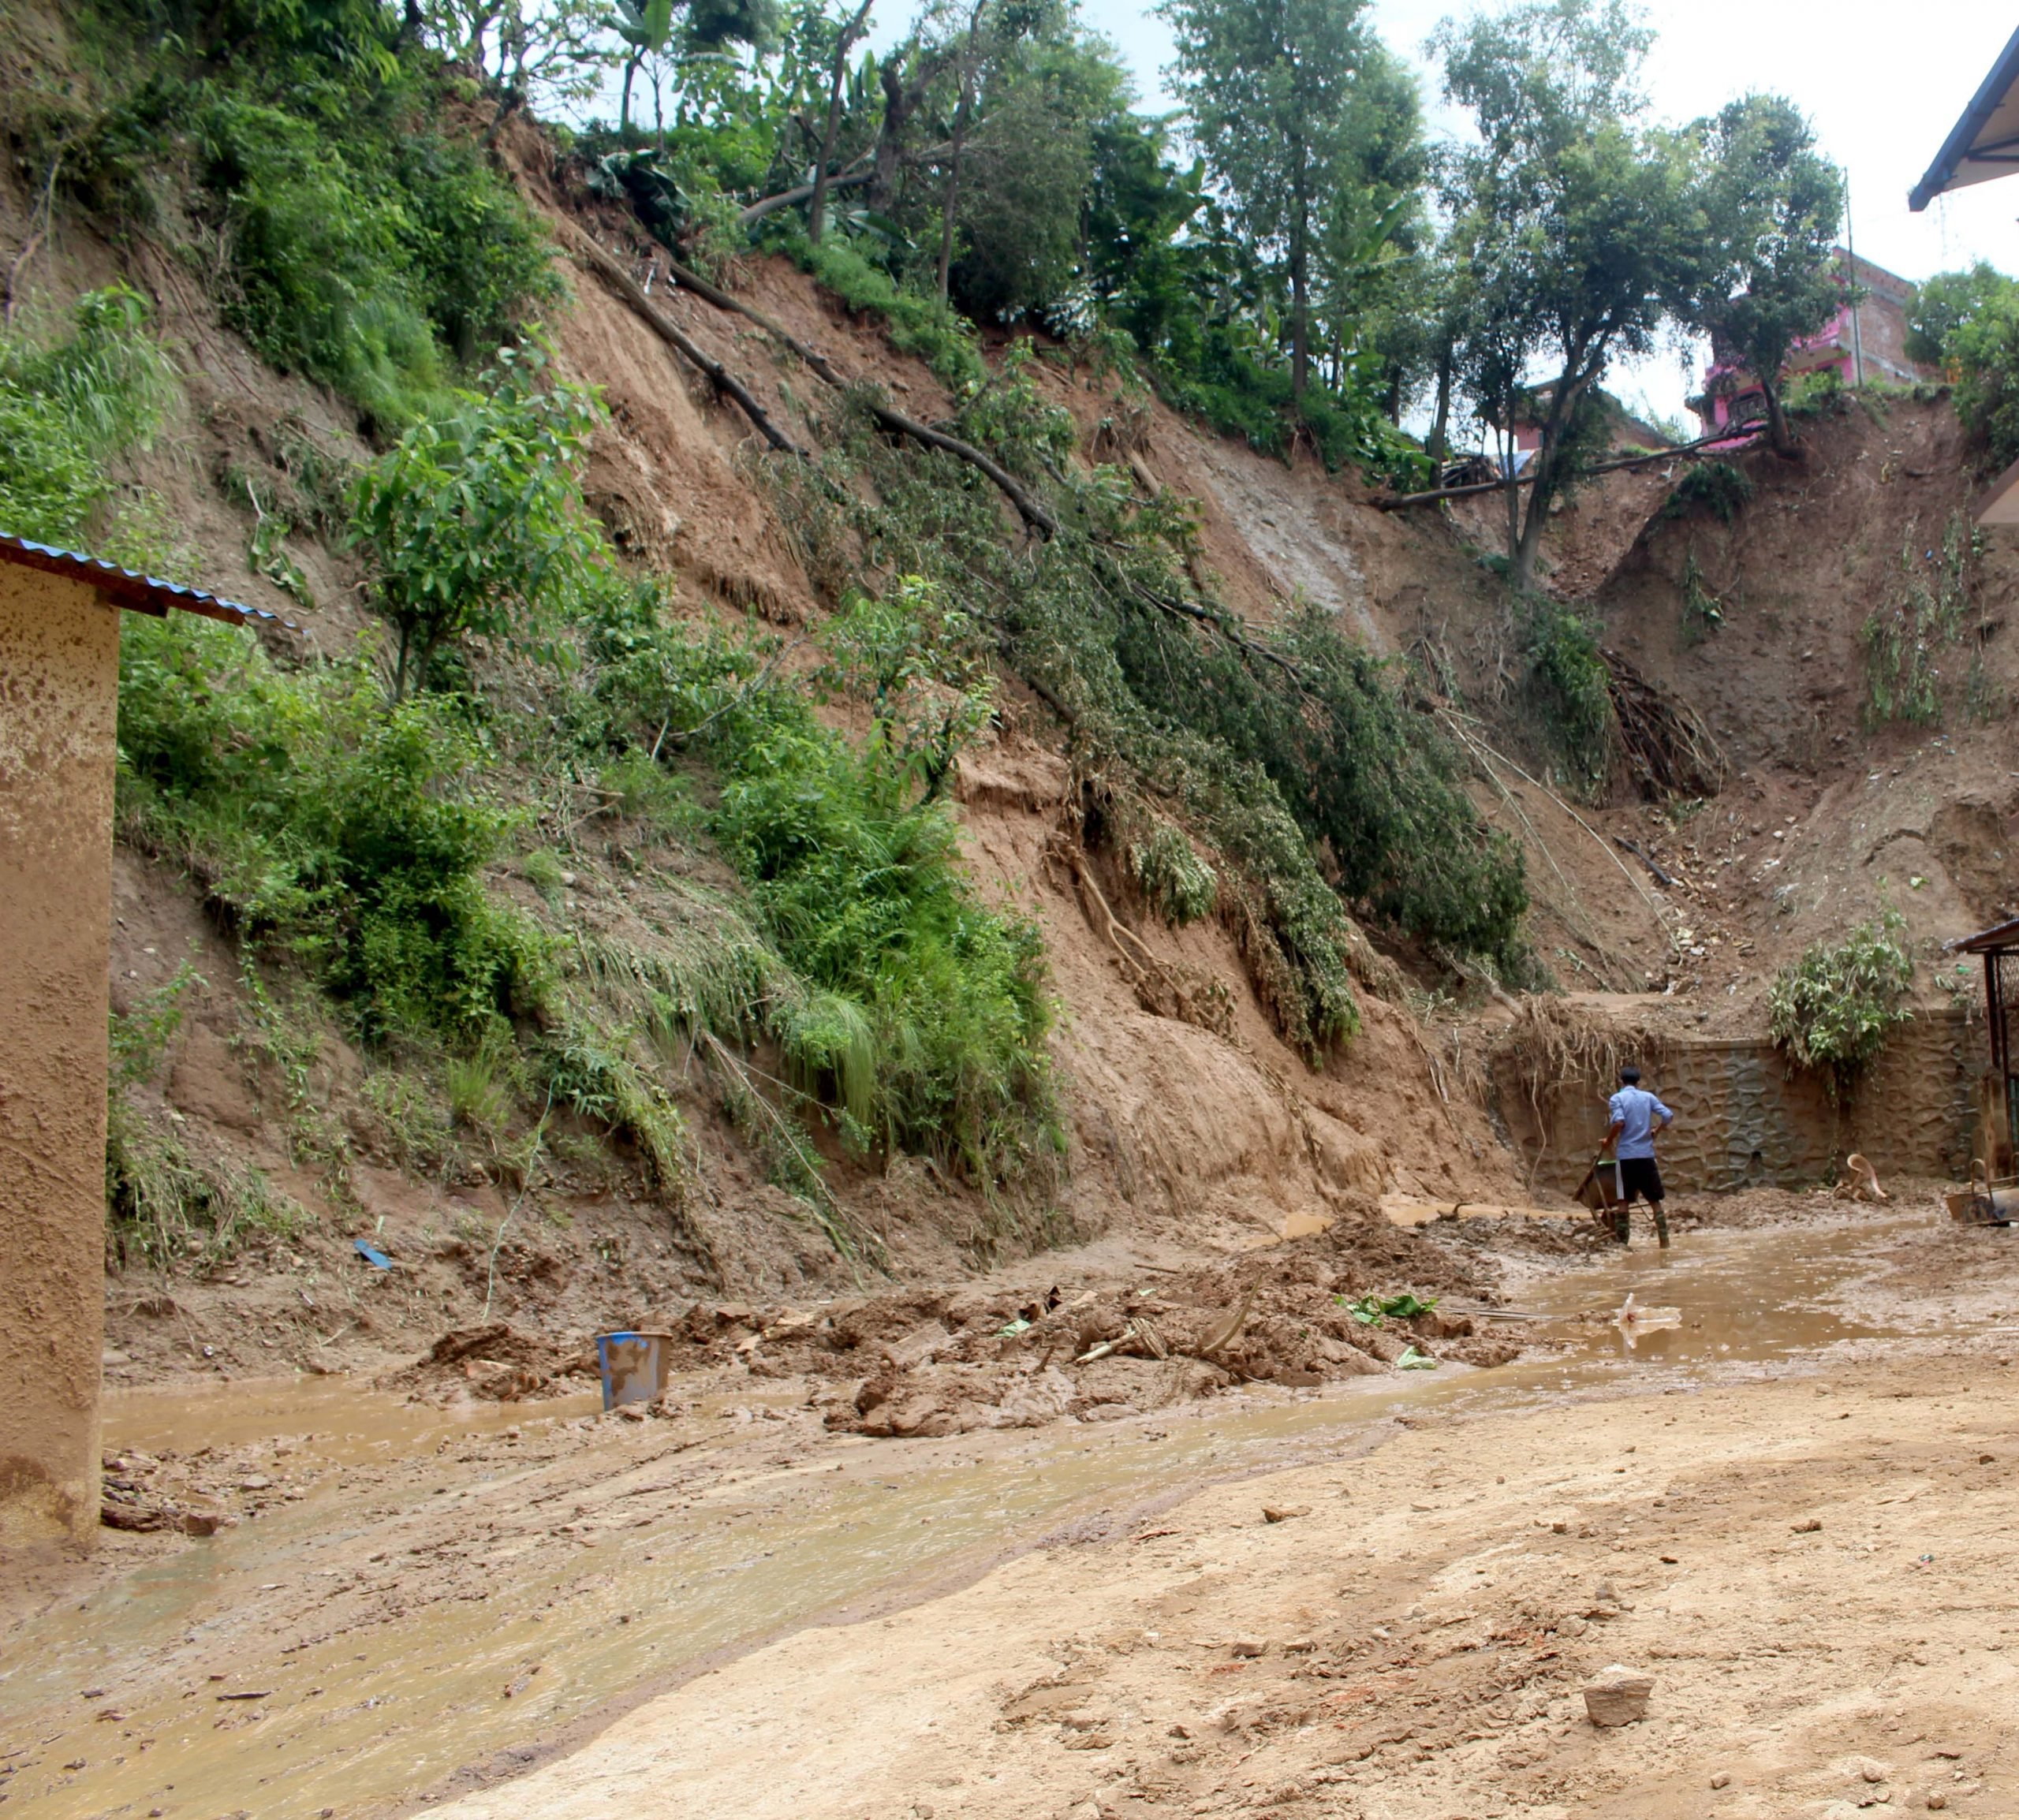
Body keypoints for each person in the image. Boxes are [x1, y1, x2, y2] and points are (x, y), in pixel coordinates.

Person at [1600, 1065, 1673, 1248]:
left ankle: (1623, 1244)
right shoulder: (1648, 1097)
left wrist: (1608, 1141)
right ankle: (1664, 1243)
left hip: (1626, 1157)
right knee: (1654, 1201)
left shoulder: (1617, 1098)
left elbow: (1619, 1122)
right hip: (1646, 1156)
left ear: (1621, 1081)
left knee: (1623, 1200)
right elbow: (1668, 1115)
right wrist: (1657, 1130)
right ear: (1638, 1081)